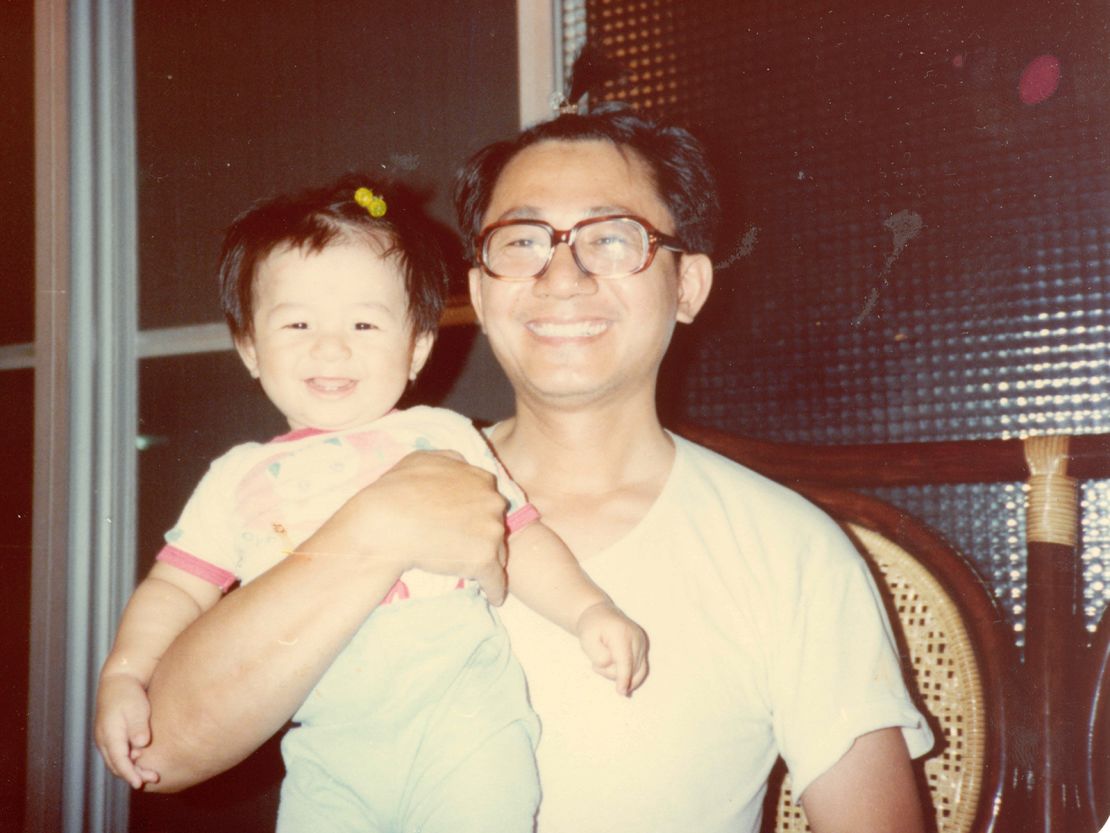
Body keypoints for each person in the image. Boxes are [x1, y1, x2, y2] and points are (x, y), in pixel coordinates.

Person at [136, 105, 934, 833]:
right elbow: (158, 751)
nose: (562, 275)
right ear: (479, 293)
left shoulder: (785, 548)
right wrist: (372, 530)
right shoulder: (360, 480)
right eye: (521, 242)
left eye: (611, 238)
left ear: (687, 284)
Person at [94, 175, 647, 832]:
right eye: (297, 322)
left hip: (461, 719)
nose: (331, 346)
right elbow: (176, 588)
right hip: (330, 746)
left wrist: (589, 609)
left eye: (363, 321)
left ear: (416, 345)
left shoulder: (441, 435)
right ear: (249, 347)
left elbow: (518, 537)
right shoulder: (238, 475)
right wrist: (125, 673)